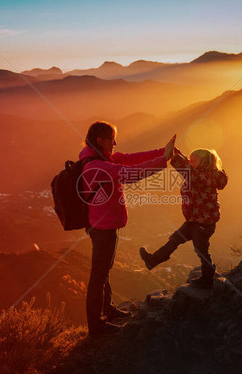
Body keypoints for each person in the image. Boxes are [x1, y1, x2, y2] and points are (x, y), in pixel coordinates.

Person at [79, 121, 176, 337]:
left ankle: (108, 310)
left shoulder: (102, 158)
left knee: (104, 270)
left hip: (103, 226)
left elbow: (131, 158)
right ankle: (96, 326)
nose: (115, 143)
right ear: (99, 141)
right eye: (111, 139)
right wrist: (163, 160)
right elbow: (131, 173)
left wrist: (163, 152)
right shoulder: (97, 166)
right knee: (98, 275)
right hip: (102, 229)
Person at [140, 147, 228, 288]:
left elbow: (187, 170)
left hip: (202, 223)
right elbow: (187, 165)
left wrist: (174, 158)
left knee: (201, 250)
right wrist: (177, 153)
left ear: (203, 163)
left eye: (193, 161)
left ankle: (207, 277)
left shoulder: (203, 177)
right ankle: (153, 260)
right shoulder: (202, 173)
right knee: (175, 239)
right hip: (195, 220)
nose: (190, 162)